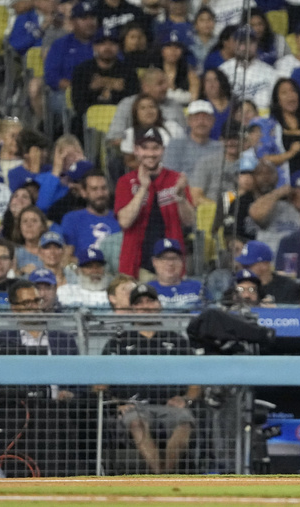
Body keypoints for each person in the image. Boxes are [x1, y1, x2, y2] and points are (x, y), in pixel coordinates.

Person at [99, 284, 201, 474]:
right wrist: (116, 404)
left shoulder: (177, 340)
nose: (145, 306)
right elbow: (99, 385)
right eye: (139, 303)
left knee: (184, 421)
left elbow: (196, 383)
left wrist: (186, 399)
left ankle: (165, 477)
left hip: (169, 407)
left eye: (150, 301)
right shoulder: (119, 342)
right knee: (137, 422)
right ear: (132, 310)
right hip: (133, 407)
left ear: (159, 305)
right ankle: (161, 477)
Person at [115, 128, 195, 279]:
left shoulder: (176, 179)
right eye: (145, 148)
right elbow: (124, 222)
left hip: (171, 267)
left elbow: (189, 221)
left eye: (155, 148)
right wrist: (143, 188)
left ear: (163, 150)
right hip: (136, 265)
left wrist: (181, 197)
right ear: (136, 151)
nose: (150, 154)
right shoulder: (125, 182)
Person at [234, 240, 299, 304]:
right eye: (242, 265)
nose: (243, 269)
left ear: (264, 265)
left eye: (247, 266)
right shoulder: (236, 284)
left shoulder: (287, 288)